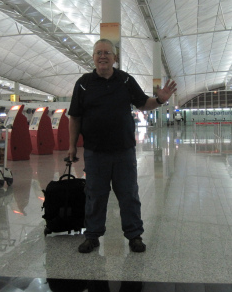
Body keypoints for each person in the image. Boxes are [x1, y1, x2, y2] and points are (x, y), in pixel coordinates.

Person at [68, 38, 177, 253]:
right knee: (95, 195)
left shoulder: (126, 80)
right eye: (98, 52)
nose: (102, 56)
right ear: (93, 57)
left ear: (115, 58)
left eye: (107, 52)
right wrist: (72, 146)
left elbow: (144, 103)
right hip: (95, 151)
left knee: (128, 194)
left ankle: (134, 235)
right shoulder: (83, 83)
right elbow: (75, 117)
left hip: (123, 151)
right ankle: (92, 235)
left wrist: (160, 100)